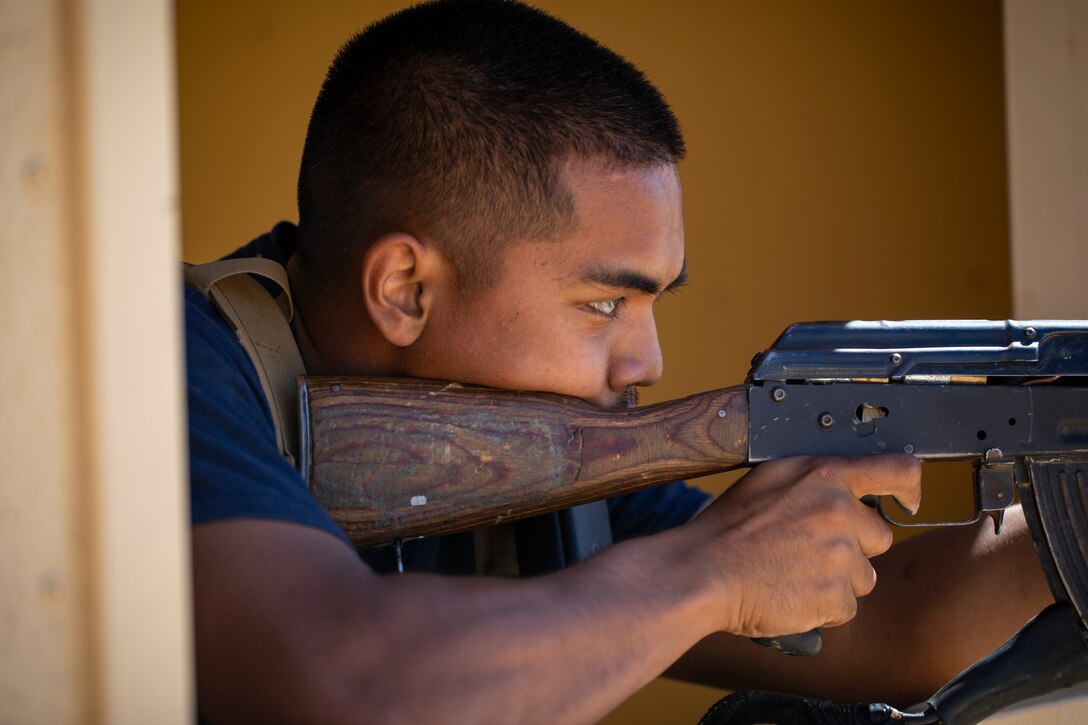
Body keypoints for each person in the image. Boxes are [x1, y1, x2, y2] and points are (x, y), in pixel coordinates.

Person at [185, 1, 1053, 721]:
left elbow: (892, 628)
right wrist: (709, 571)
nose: (648, 360)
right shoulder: (162, 372)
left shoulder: (533, 447)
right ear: (405, 289)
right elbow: (341, 687)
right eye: (604, 304)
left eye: (654, 301)